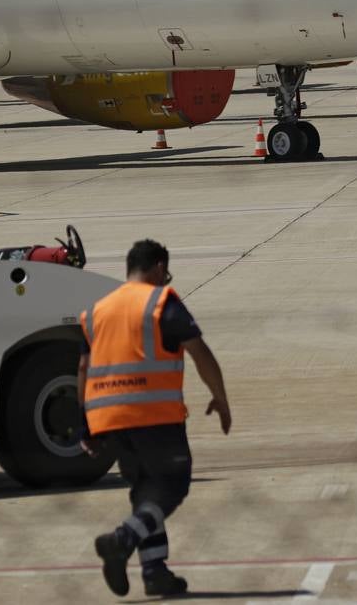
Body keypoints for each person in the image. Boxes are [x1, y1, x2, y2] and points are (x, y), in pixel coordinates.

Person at [78, 239, 231, 598]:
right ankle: (122, 539)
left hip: (109, 419)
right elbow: (199, 351)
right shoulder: (161, 302)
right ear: (159, 268)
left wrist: (86, 422)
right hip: (153, 415)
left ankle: (154, 570)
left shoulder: (97, 310)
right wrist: (220, 397)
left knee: (146, 492)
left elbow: (83, 367)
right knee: (172, 485)